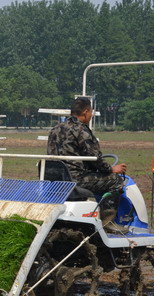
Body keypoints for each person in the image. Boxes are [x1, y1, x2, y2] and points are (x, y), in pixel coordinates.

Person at [47, 97, 127, 227]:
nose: (91, 115)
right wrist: (111, 169)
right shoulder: (81, 130)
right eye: (91, 112)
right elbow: (95, 157)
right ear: (85, 112)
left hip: (56, 180)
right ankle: (108, 223)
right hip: (76, 180)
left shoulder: (55, 129)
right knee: (116, 181)